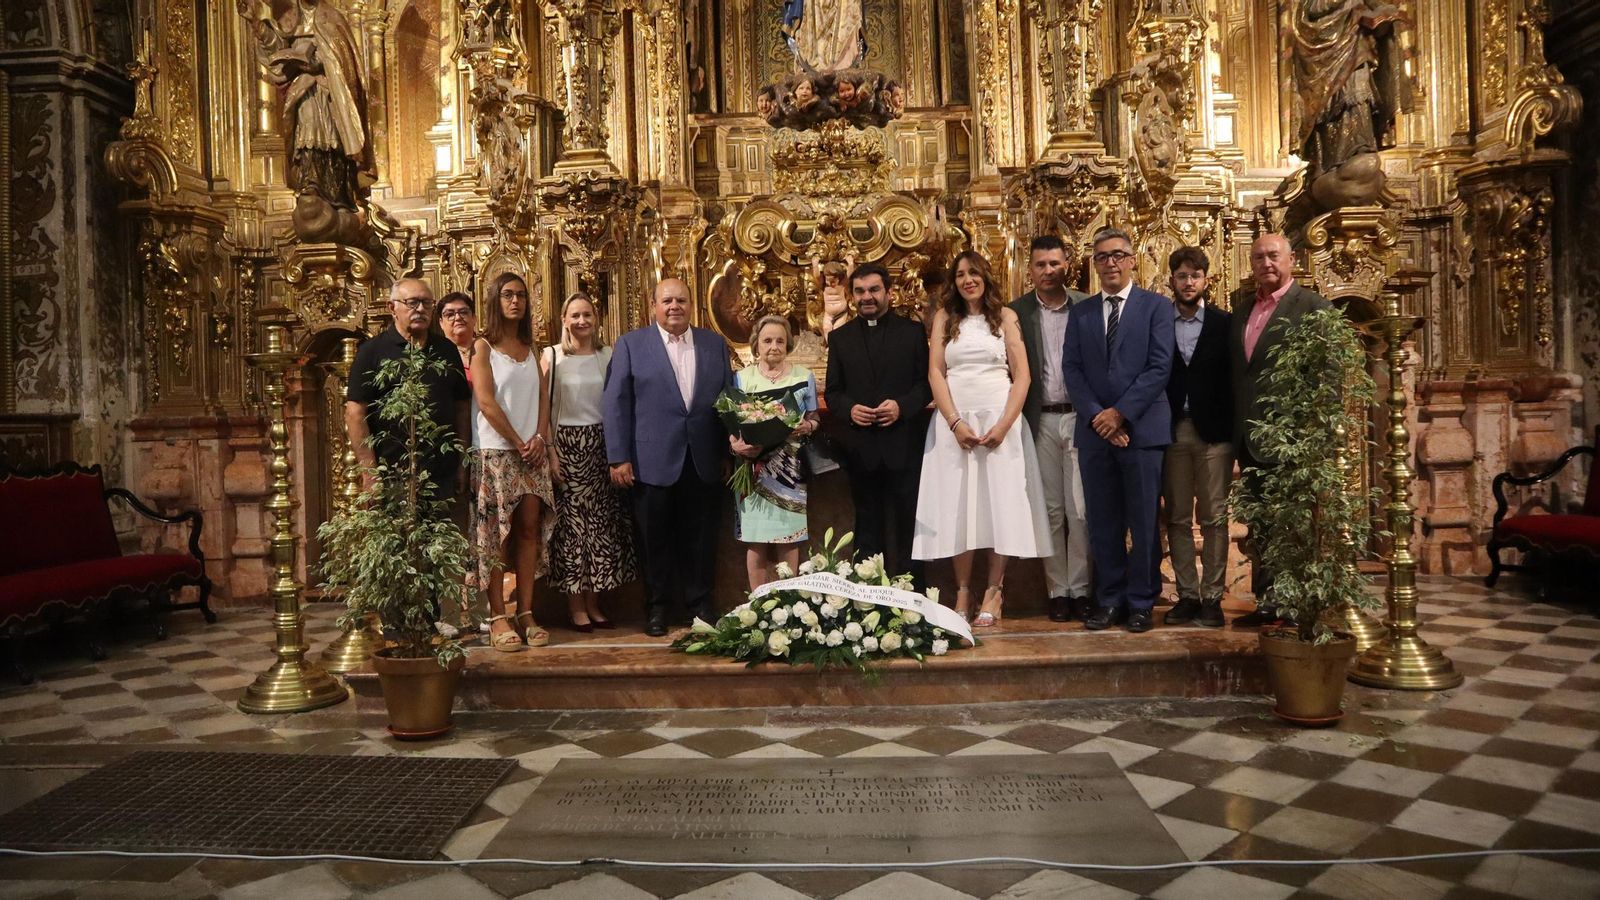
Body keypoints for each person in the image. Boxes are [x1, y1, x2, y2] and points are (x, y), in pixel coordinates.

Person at [913, 252, 1050, 627]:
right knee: (960, 507)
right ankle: (961, 590)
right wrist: (955, 422)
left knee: (998, 506)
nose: (967, 280)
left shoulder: (1005, 317)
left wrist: (1005, 425)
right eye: (960, 274)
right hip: (955, 423)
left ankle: (994, 589)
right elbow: (936, 374)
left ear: (986, 277)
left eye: (973, 272)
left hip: (998, 419)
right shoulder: (944, 317)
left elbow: (1022, 376)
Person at [604, 278, 734, 637]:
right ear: (653, 305)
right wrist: (618, 457)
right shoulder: (631, 344)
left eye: (681, 300)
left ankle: (702, 605)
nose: (674, 306)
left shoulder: (714, 344)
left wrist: (726, 451)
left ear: (692, 305)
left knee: (702, 537)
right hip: (649, 461)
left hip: (703, 458)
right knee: (654, 540)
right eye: (667, 301)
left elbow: (728, 400)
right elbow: (616, 403)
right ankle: (657, 609)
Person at [1061, 228, 1175, 634]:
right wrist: (1100, 418)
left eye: (1118, 255)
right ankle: (1109, 599)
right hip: (1095, 434)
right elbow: (1072, 369)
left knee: (1143, 522)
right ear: (1094, 264)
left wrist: (1121, 414)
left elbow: (1160, 366)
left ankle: (1142, 601)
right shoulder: (1082, 312)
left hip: (1142, 431)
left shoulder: (1157, 307)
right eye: (1103, 256)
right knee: (1103, 521)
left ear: (1132, 260)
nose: (1110, 262)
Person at [1230, 233, 1332, 626]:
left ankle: (1295, 606)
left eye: (1273, 256)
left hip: (1292, 440)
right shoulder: (1241, 312)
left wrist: (1313, 433)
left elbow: (1329, 374)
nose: (1266, 263)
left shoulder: (1313, 307)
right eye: (1258, 258)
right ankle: (1268, 602)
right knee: (1262, 525)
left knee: (1293, 526)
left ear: (1292, 258)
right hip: (1249, 438)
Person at [825, 262, 931, 589]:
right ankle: (868, 597)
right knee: (867, 524)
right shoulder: (840, 338)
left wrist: (901, 406)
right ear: (851, 295)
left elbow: (925, 385)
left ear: (888, 291)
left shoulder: (912, 332)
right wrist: (849, 409)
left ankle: (913, 598)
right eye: (859, 291)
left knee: (908, 524)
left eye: (873, 290)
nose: (867, 297)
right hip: (862, 447)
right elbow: (833, 391)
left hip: (903, 445)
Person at [468, 272, 554, 652]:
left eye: (520, 295)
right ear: (495, 300)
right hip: (497, 452)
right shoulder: (482, 346)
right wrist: (520, 442)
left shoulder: (530, 348)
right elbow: (486, 402)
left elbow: (543, 399)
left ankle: (526, 612)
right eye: (507, 295)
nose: (515, 301)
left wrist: (538, 438)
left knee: (528, 531)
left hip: (529, 451)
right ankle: (497, 616)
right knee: (496, 537)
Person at [1010, 235, 1093, 624]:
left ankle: (1081, 589)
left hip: (1079, 416)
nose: (1048, 271)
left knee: (1080, 510)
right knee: (1050, 510)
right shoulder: (1016, 312)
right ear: (1030, 269)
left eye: (1054, 264)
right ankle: (1057, 591)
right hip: (1039, 417)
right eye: (1040, 264)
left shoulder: (1086, 306)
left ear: (1067, 266)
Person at [543, 292, 638, 631]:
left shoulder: (607, 355)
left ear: (596, 319)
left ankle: (595, 603)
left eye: (588, 315)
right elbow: (544, 409)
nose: (582, 321)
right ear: (564, 320)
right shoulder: (552, 357)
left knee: (602, 529)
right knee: (573, 530)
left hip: (602, 445)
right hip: (567, 445)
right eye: (575, 315)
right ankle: (575, 605)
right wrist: (550, 451)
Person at [1160, 247, 1234, 629]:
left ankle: (1213, 597)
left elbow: (1234, 377)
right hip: (1172, 429)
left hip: (1214, 433)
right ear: (1171, 280)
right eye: (1181, 275)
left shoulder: (1224, 323)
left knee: (1214, 516)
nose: (1188, 282)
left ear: (1206, 279)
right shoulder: (1159, 321)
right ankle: (1187, 594)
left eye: (1195, 275)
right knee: (1176, 516)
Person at [346, 278, 470, 500]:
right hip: (392, 474)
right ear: (392, 308)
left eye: (427, 303)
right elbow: (356, 414)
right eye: (412, 302)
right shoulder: (372, 352)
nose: (420, 309)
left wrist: (461, 463)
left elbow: (461, 408)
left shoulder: (446, 350)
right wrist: (370, 471)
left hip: (441, 474)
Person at [731, 315, 821, 588]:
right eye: (767, 340)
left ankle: (786, 601)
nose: (774, 346)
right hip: (753, 468)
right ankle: (757, 604)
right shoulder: (741, 378)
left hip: (789, 469)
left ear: (788, 345)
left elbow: (815, 418)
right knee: (756, 539)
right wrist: (735, 444)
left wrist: (807, 425)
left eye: (780, 341)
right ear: (756, 344)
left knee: (788, 537)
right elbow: (732, 420)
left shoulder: (803, 377)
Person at [438, 292, 477, 375]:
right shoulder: (435, 355)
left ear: (474, 318)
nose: (458, 318)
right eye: (450, 314)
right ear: (441, 323)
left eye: (463, 312)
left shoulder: (489, 349)